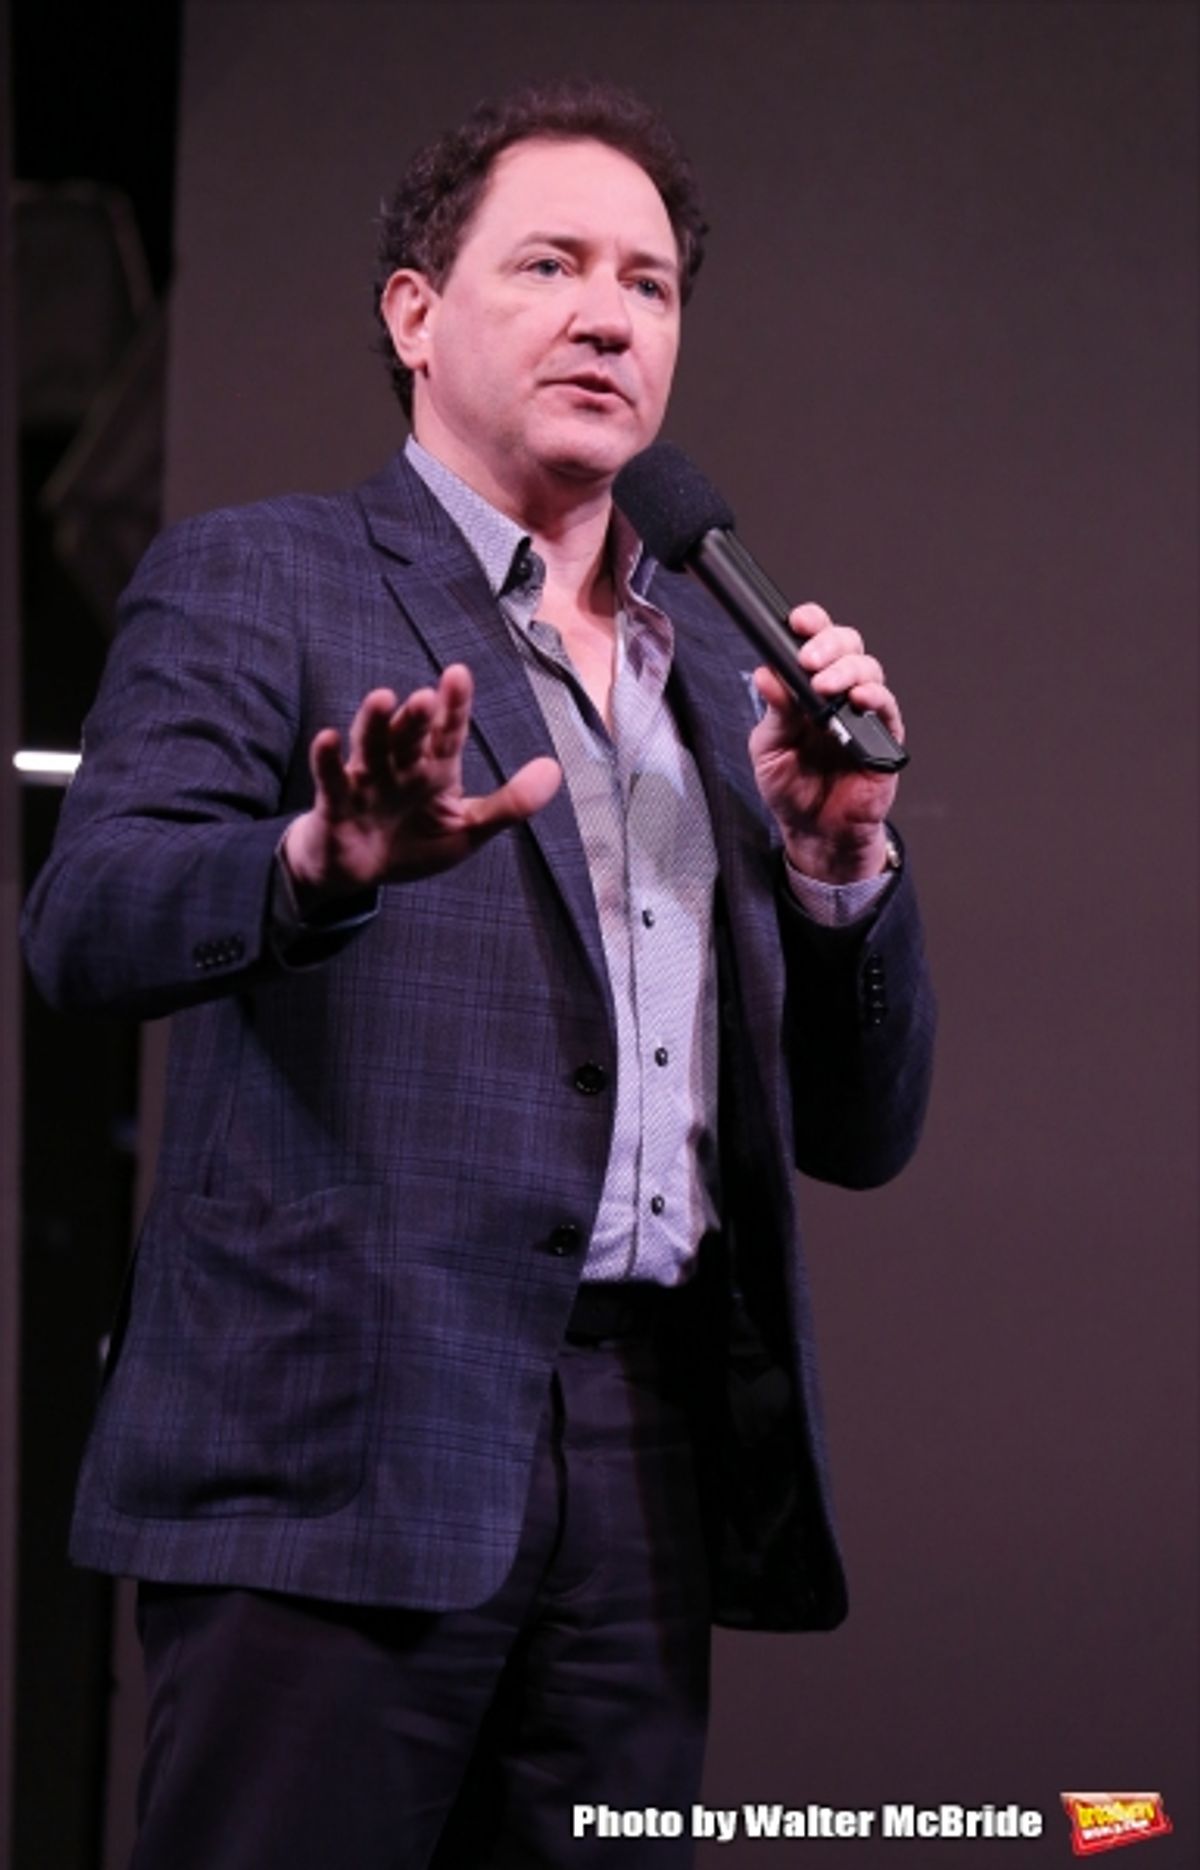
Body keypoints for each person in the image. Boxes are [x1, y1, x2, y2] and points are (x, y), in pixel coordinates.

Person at [22, 78, 935, 1870]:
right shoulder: (260, 578)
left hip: (644, 1479)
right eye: (553, 264)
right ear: (416, 315)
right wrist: (312, 860)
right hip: (330, 1465)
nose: (613, 313)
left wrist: (841, 863)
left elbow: (860, 1130)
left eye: (653, 283)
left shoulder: (714, 684)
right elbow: (87, 921)